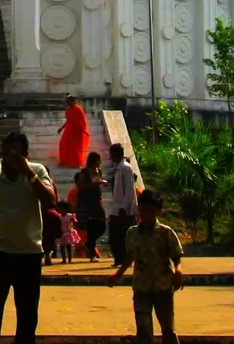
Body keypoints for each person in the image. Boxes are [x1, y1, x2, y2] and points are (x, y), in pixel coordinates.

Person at [0, 132, 57, 344]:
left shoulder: (37, 171)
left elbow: (50, 201)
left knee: (27, 310)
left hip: (29, 251)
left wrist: (27, 171)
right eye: (9, 152)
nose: (12, 157)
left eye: (17, 153)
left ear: (26, 154)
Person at [108, 189, 184, 344]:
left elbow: (176, 255)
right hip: (141, 286)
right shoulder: (132, 233)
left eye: (151, 211)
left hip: (163, 286)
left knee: (167, 328)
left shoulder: (165, 232)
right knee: (143, 328)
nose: (147, 215)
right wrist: (118, 275)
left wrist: (178, 271)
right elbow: (130, 257)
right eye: (143, 210)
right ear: (138, 210)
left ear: (158, 212)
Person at [106, 142, 139, 267]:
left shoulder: (125, 168)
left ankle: (124, 259)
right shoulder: (120, 167)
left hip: (124, 209)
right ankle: (119, 259)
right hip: (117, 207)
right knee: (115, 235)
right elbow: (110, 173)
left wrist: (123, 207)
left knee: (123, 235)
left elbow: (130, 190)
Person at [75, 152, 107, 260]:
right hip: (87, 203)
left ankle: (89, 244)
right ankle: (92, 253)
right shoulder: (85, 172)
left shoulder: (99, 171)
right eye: (98, 160)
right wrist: (92, 185)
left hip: (97, 202)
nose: (100, 162)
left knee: (102, 225)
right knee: (91, 227)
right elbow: (80, 187)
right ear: (93, 161)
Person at [58, 94, 90, 168]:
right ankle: (64, 161)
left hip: (77, 131)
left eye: (68, 101)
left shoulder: (78, 109)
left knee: (76, 147)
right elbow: (68, 120)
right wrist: (61, 128)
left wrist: (83, 130)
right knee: (62, 144)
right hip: (68, 130)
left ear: (73, 101)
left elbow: (83, 121)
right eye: (67, 101)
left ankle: (77, 162)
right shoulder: (69, 109)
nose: (67, 103)